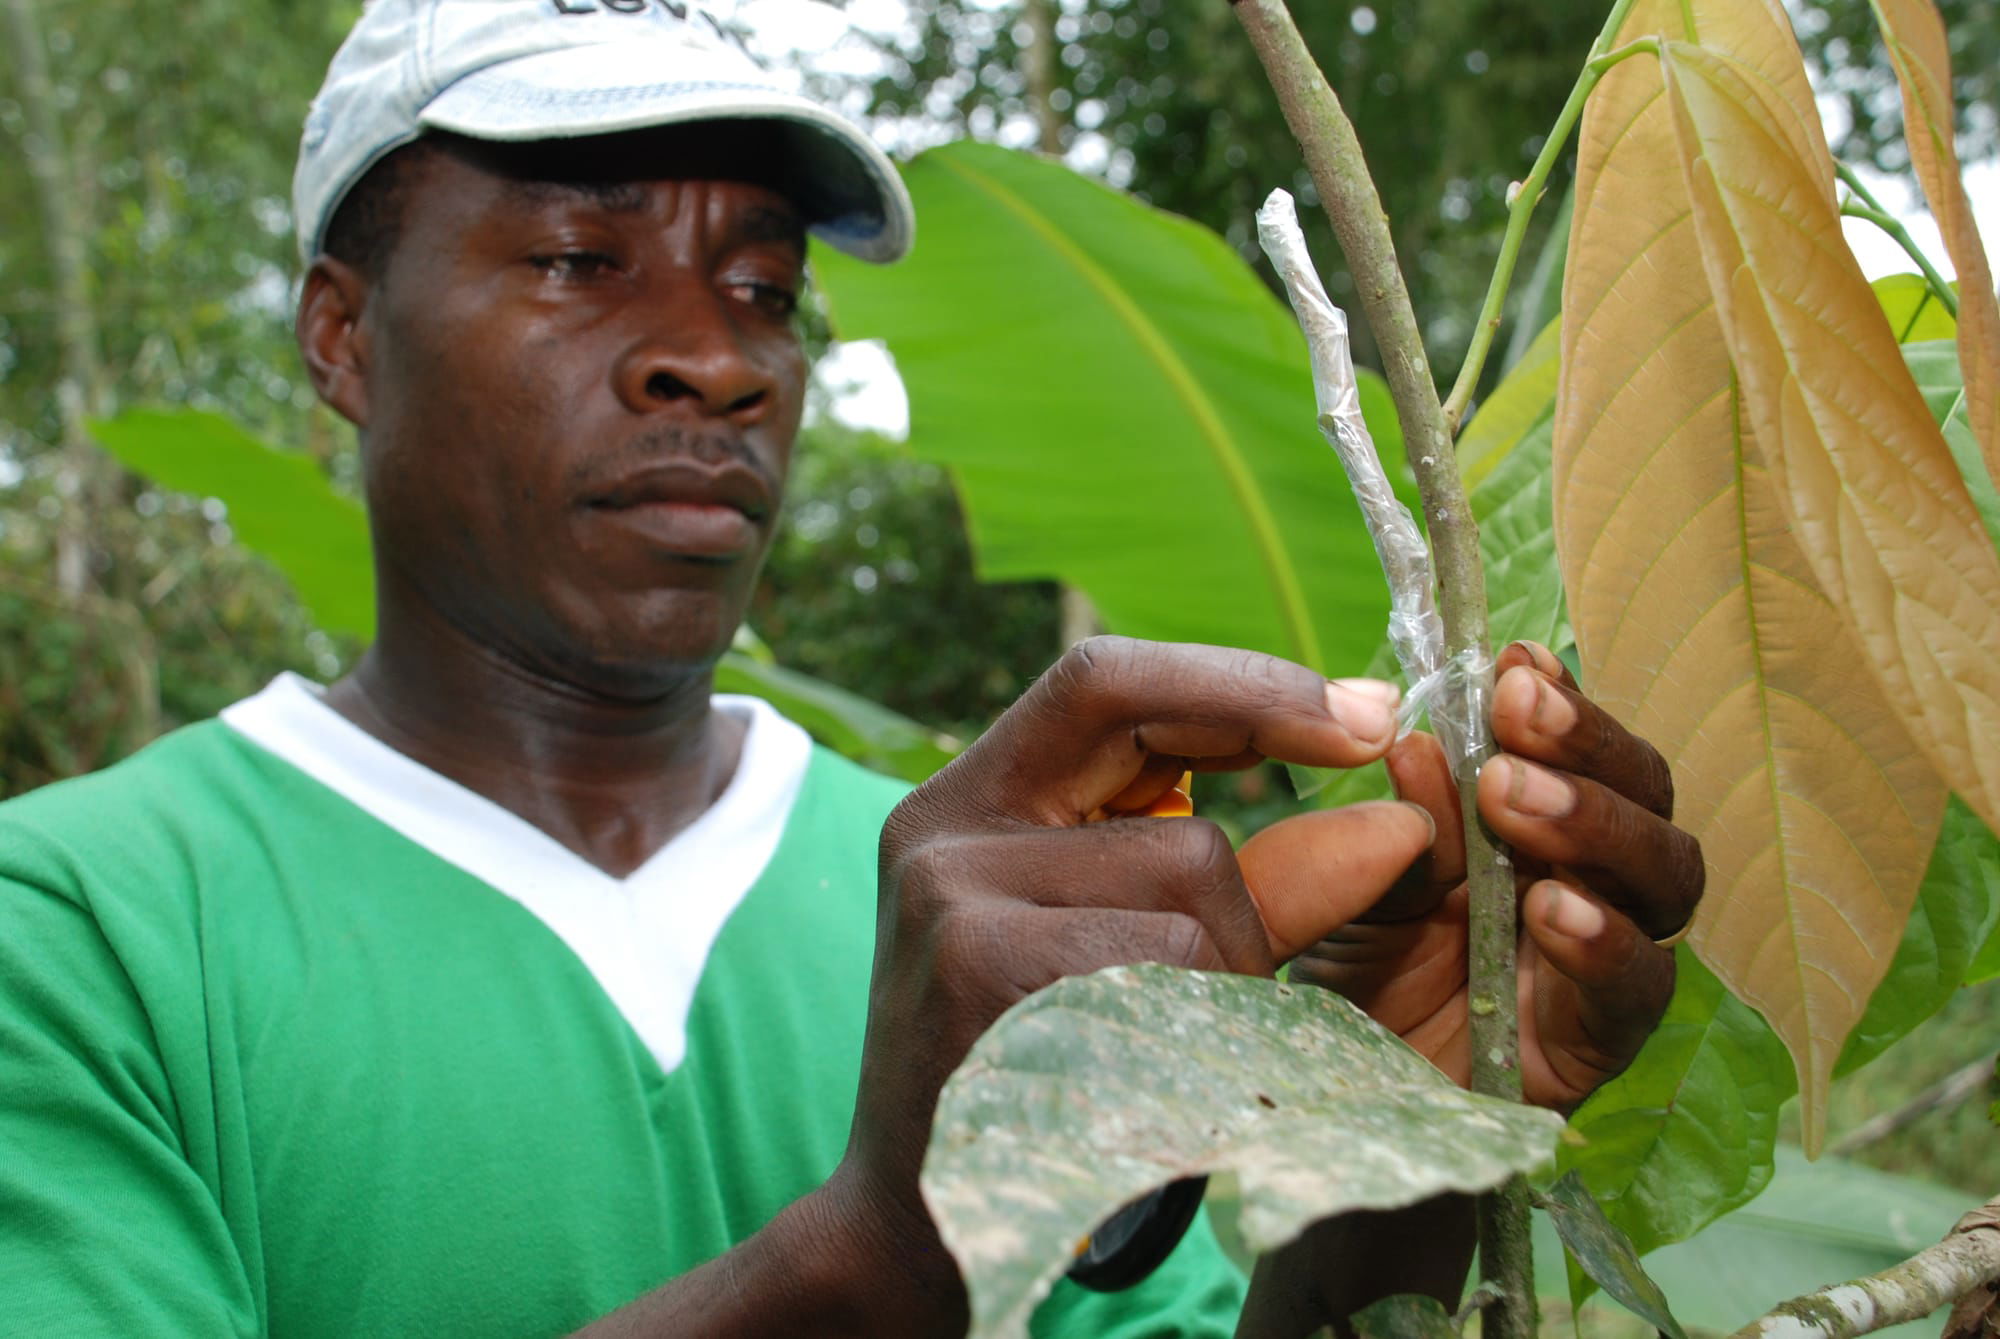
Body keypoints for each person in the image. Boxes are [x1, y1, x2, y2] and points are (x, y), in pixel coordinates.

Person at [0, 2, 1701, 1336]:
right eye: (583, 262)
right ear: (341, 333)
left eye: (766, 289)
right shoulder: (75, 934)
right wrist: (889, 1251)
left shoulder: (1001, 906)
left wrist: (1376, 1188)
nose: (715, 357)